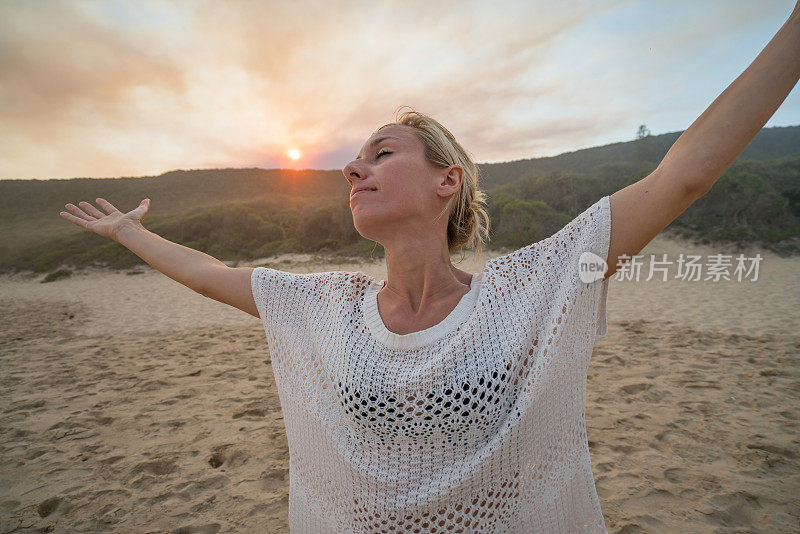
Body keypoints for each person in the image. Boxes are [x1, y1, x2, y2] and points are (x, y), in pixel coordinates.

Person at [59, 5, 800, 532]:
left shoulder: (531, 287)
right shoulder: (328, 307)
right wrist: (129, 232)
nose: (353, 168)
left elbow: (682, 177)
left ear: (449, 182)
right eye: (355, 160)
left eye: (382, 153)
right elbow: (204, 272)